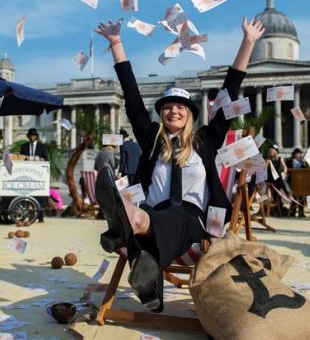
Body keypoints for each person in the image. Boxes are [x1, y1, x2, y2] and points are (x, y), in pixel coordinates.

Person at [93, 17, 264, 312]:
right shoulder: (151, 141)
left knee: (157, 217)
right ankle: (147, 282)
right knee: (148, 214)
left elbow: (229, 91)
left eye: (180, 107)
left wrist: (248, 41)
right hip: (153, 212)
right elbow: (133, 101)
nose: (173, 111)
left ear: (190, 114)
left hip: (193, 221)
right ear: (162, 114)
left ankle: (125, 226)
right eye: (168, 107)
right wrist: (116, 44)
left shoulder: (206, 141)